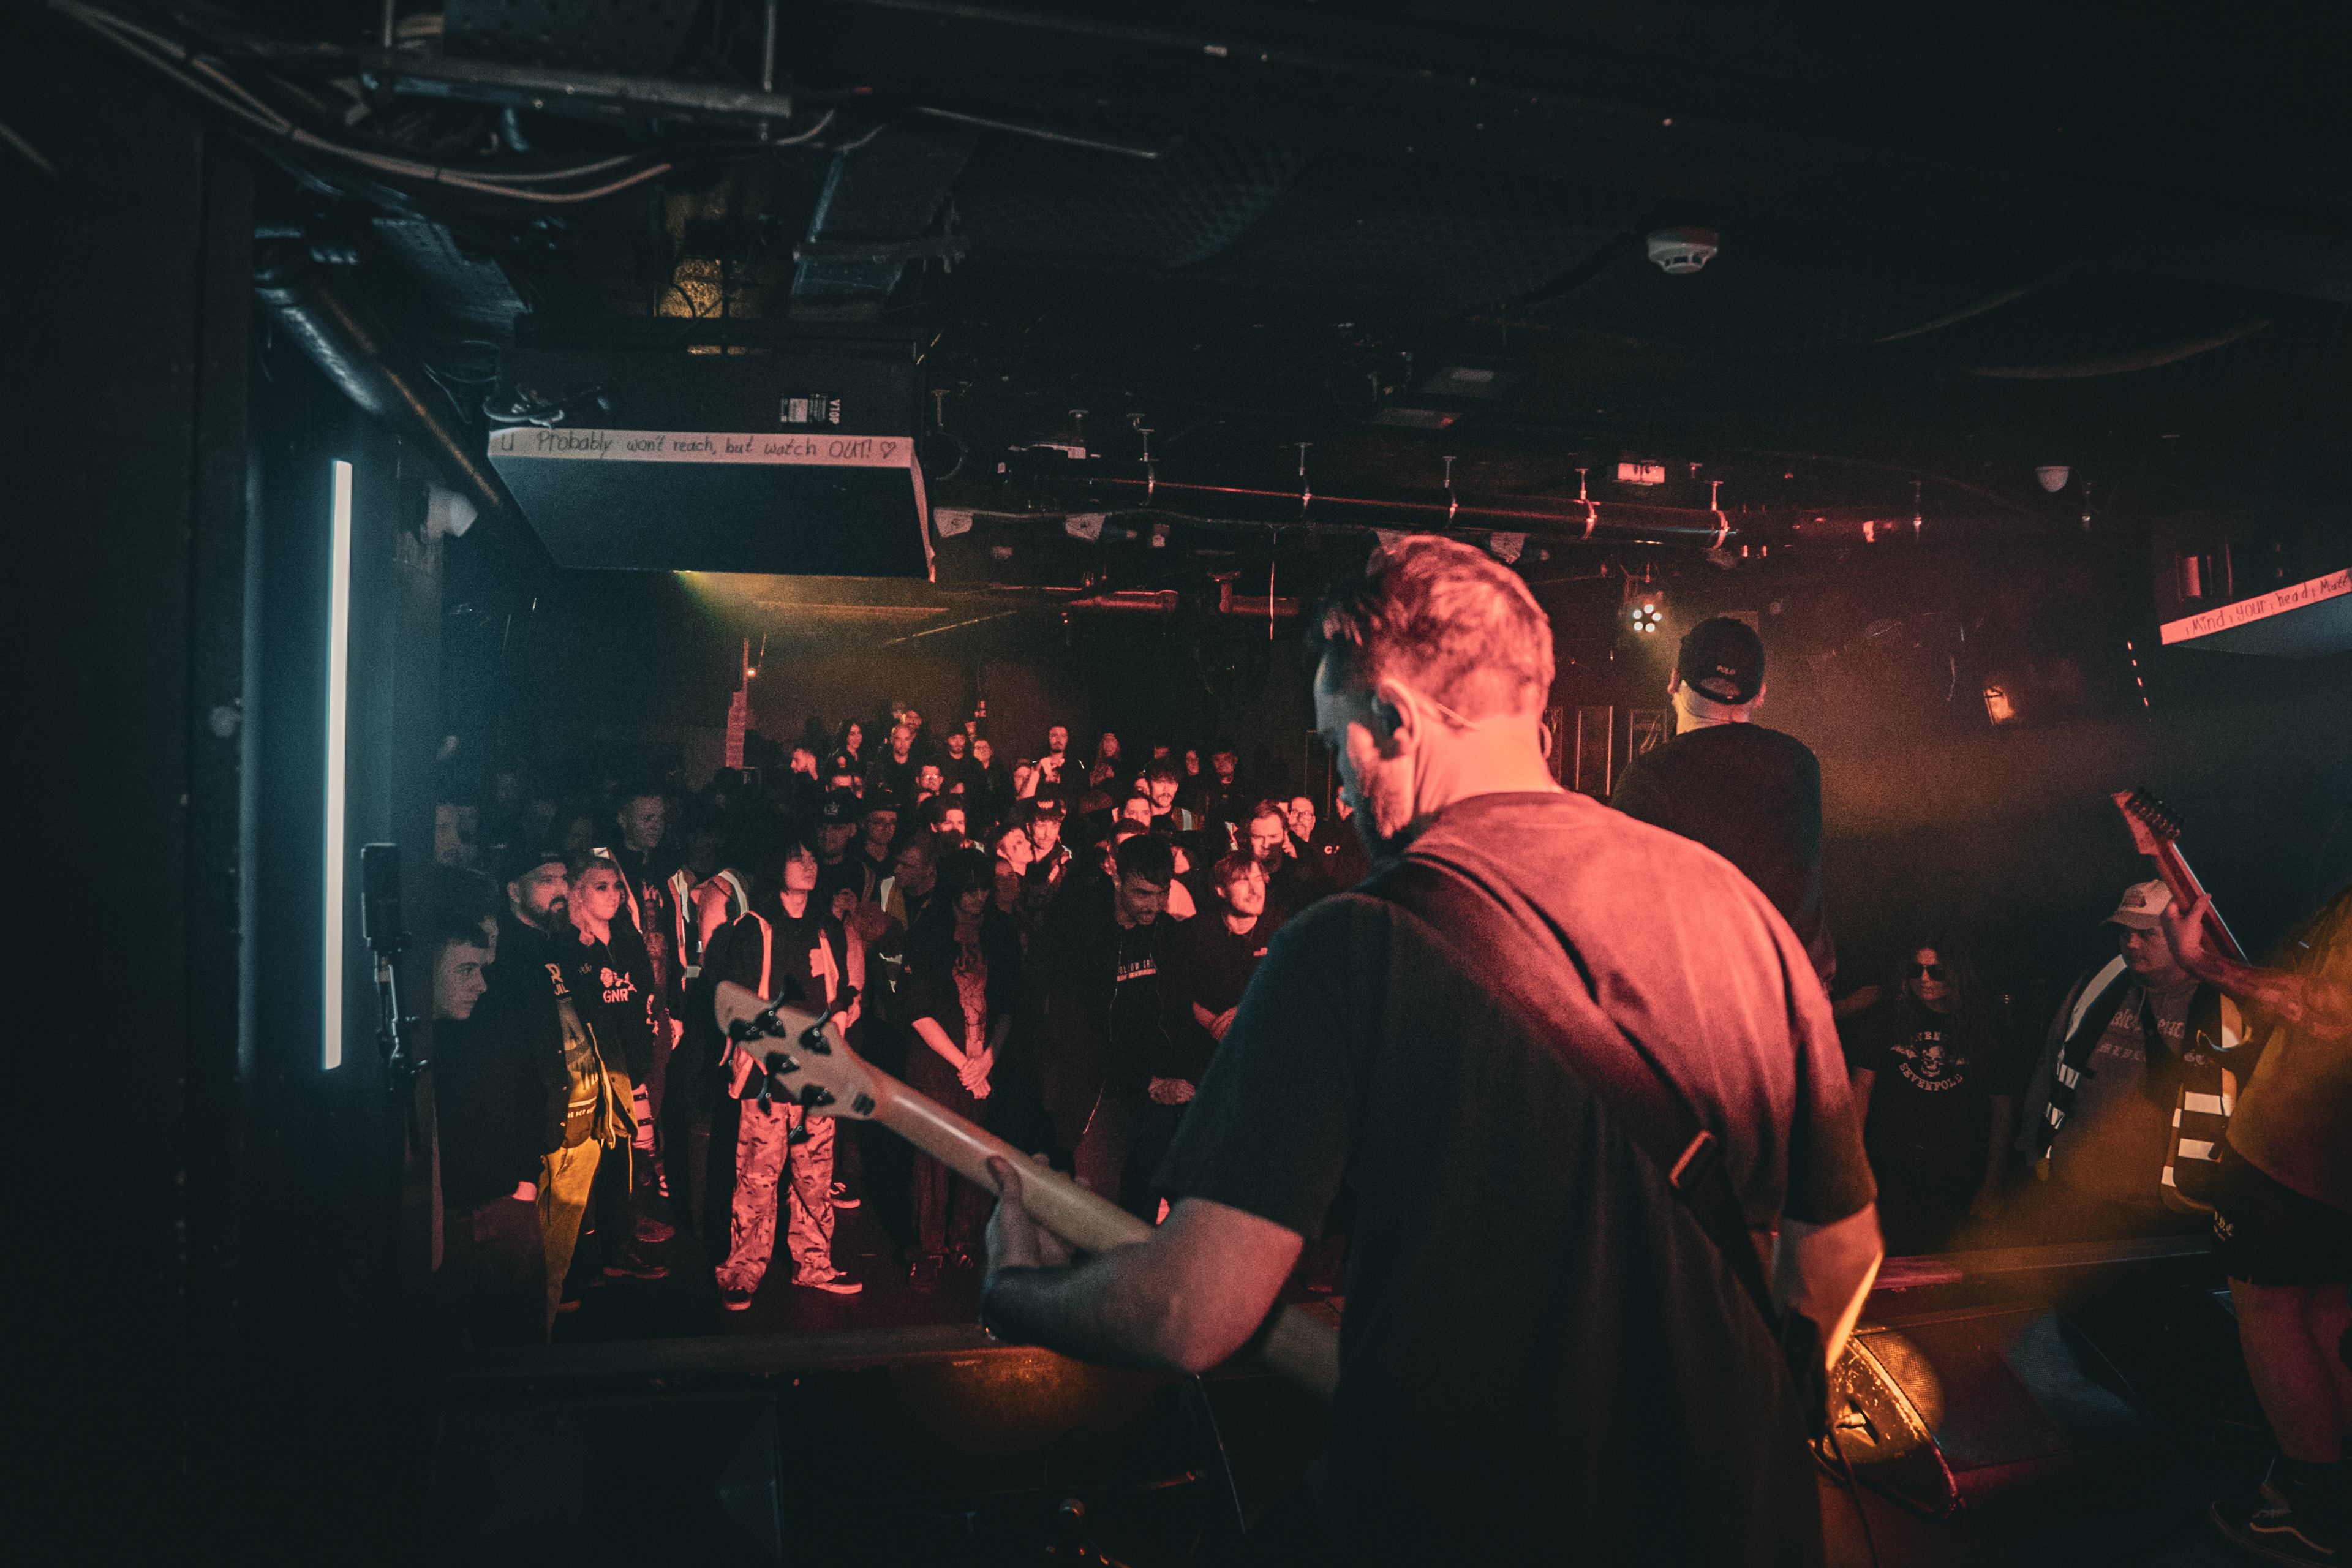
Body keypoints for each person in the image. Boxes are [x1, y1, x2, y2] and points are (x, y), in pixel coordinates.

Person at [980, 535, 1880, 1566]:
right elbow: (1841, 1250)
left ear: (1397, 722)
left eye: (1338, 748)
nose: (1340, 791)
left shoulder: (1352, 945)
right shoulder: (1740, 915)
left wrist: (1020, 1293)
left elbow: (1194, 1311)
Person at [2160, 885, 2350, 1565]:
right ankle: (2336, 1495)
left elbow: (2328, 1008)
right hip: (2336, 1168)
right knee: (2325, 1313)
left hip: (2293, 1156)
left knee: (2268, 1313)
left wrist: (2202, 963)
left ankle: (2317, 1515)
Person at [1610, 616, 1833, 987]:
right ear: (1760, 694)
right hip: (1796, 996)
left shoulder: (1649, 777)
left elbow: (1624, 913)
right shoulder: (1800, 763)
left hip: (1703, 999)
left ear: (1674, 680)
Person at [699, 839, 864, 1305]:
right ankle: (741, 1271)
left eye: (812, 858)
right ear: (777, 865)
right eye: (797, 857)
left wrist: (840, 1021)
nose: (809, 865)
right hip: (766, 1077)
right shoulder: (753, 928)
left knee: (815, 1179)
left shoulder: (826, 927)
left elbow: (842, 994)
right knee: (757, 1179)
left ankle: (814, 1265)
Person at [2014, 880, 2222, 1242]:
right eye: (2124, 932)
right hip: (2071, 1192)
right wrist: (2030, 1151)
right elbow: (2050, 1064)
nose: (2131, 943)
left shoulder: (2219, 1001)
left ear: (2186, 932)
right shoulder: (2099, 984)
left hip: (2167, 1209)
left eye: (2147, 933)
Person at [479, 845, 633, 1335]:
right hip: (539, 1138)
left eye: (565, 879)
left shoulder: (565, 946)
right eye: (547, 880)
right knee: (522, 1281)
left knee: (555, 1269)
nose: (561, 890)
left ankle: (541, 1349)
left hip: (583, 1132)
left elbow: (598, 1029)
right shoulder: (501, 958)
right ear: (513, 890)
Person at [429, 864, 554, 1347]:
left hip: (508, 1206)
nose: (481, 981)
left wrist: (525, 1180)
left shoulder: (496, 1003)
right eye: (467, 969)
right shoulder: (411, 1039)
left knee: (521, 1349)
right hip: (446, 1224)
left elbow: (531, 1087)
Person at [899, 848, 1023, 1292]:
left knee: (978, 1155)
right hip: (937, 1064)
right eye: (970, 889)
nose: (979, 897)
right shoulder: (928, 932)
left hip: (984, 1063)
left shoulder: (1000, 931)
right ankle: (928, 1249)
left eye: (984, 888)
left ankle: (965, 1240)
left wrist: (987, 1060)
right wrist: (965, 1065)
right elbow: (918, 1010)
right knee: (932, 1158)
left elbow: (1009, 1003)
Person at [1126, 851, 1273, 1222]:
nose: (1255, 889)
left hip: (1259, 1064)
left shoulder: (1282, 931)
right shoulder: (1194, 934)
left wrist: (1247, 1015)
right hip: (1199, 1063)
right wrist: (1212, 1023)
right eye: (1243, 881)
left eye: (1258, 879)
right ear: (1221, 890)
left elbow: (1294, 993)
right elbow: (1176, 993)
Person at [1844, 937, 2015, 1255]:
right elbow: (1861, 1090)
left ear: (1956, 973)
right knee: (1887, 1256)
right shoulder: (1888, 1018)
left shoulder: (1984, 1028)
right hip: (1891, 1163)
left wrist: (1993, 1181)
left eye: (1935, 971)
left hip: (1955, 1168)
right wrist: (1851, 1163)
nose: (1924, 979)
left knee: (1946, 1257)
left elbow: (2002, 1107)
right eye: (1916, 970)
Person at [1030, 834, 1177, 1199]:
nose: (1154, 905)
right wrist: (1141, 1078)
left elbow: (1172, 1012)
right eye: (1142, 893)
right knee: (1094, 1205)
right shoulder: (1081, 935)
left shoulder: (1166, 934)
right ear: (1117, 878)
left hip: (1152, 1097)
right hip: (1095, 1094)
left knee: (1141, 1206)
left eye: (1162, 894)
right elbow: (1069, 1027)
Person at [559, 854, 666, 1284]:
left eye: (617, 886)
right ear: (577, 893)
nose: (614, 895)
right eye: (600, 887)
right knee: (585, 1167)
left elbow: (644, 996)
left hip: (627, 1069)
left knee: (626, 1160)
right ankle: (577, 1261)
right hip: (588, 1076)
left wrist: (643, 1051)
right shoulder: (566, 945)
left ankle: (617, 1248)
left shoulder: (627, 937)